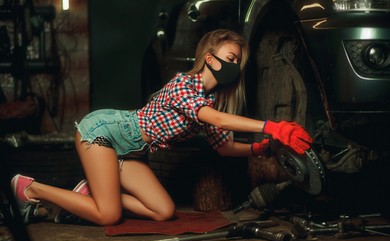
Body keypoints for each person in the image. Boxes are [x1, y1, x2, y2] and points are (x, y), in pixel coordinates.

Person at [10, 29, 312, 226]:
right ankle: (31, 188)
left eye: (239, 63)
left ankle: (91, 193)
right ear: (210, 58)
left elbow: (224, 146)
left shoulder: (211, 101)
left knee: (163, 211)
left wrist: (257, 148)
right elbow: (216, 120)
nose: (235, 66)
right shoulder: (184, 84)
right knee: (109, 215)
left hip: (129, 154)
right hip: (102, 131)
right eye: (231, 58)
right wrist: (272, 127)